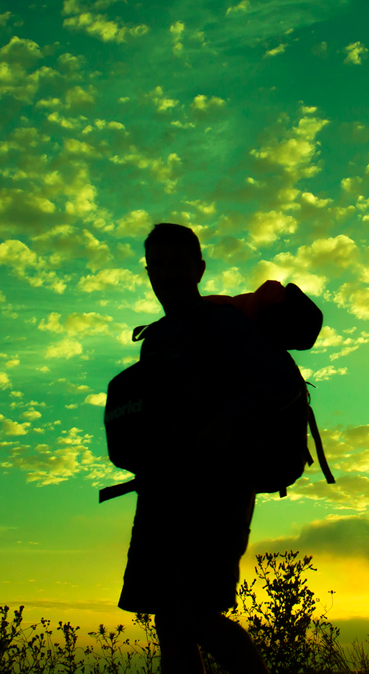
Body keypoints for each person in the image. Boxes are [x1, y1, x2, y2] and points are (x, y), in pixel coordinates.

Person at [117, 223, 277, 674]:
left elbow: (279, 382)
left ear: (200, 269)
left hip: (216, 493)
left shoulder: (221, 322)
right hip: (162, 493)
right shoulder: (156, 337)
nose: (167, 274)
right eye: (157, 265)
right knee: (169, 621)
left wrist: (225, 423)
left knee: (195, 613)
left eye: (177, 264)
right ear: (148, 272)